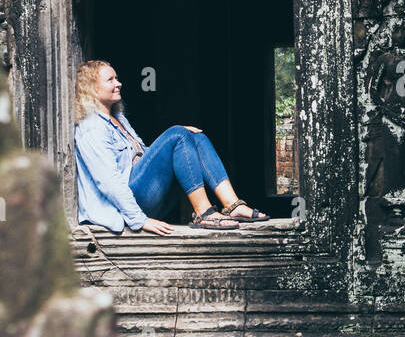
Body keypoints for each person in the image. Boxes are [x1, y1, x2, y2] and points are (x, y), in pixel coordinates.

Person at [73, 59, 270, 234]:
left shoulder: (118, 118)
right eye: (111, 80)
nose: (119, 83)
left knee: (194, 137)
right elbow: (109, 182)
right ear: (92, 88)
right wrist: (139, 220)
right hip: (128, 206)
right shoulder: (92, 128)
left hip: (143, 193)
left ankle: (232, 204)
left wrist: (175, 138)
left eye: (117, 78)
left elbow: (146, 158)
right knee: (177, 134)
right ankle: (203, 212)